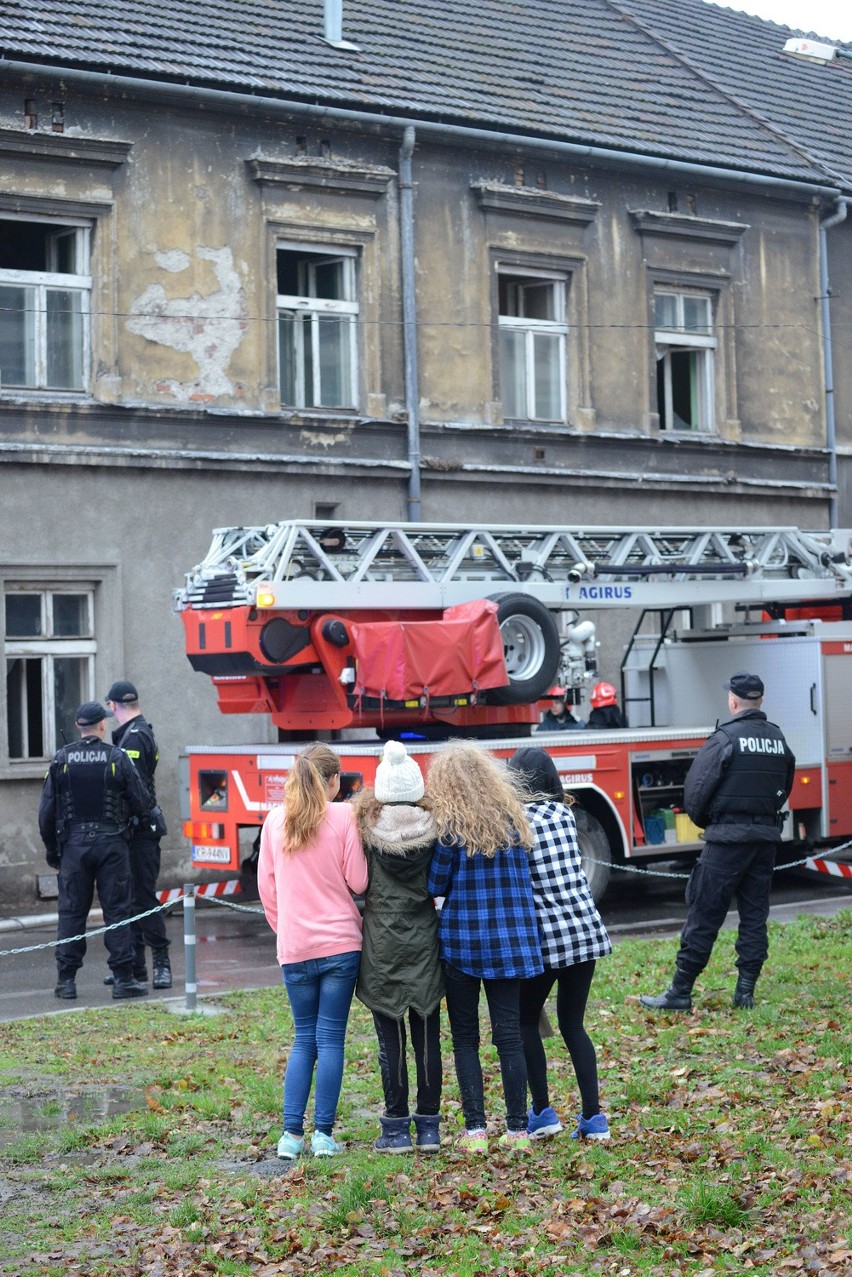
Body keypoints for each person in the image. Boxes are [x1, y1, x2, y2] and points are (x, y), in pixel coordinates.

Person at [640, 671, 795, 1012]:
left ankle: (680, 991)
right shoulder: (778, 740)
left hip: (726, 841)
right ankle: (745, 993)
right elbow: (784, 787)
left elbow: (695, 793)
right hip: (764, 840)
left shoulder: (725, 739)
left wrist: (713, 823)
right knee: (755, 916)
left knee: (705, 913)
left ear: (733, 701)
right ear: (762, 701)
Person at [426, 741, 543, 1153]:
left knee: (465, 1039)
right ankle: (517, 1130)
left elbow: (435, 885)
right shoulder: (515, 820)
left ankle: (475, 1130)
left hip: (462, 943)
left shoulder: (450, 830)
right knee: (509, 1035)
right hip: (510, 942)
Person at [257, 742, 369, 1160]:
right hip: (341, 946)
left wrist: (286, 929)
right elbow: (358, 882)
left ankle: (290, 1136)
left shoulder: (273, 821)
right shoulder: (343, 815)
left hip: (296, 946)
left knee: (303, 1039)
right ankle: (323, 1134)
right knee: (331, 1040)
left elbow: (267, 890)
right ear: (335, 780)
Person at [507, 747, 612, 1142]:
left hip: (549, 940)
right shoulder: (566, 815)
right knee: (573, 1025)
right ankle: (593, 1118)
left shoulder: (517, 824)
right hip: (586, 933)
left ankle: (542, 1113)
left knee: (523, 1021)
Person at [353, 740, 442, 1154]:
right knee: (427, 1033)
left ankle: (395, 1129)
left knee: (389, 1035)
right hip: (424, 938)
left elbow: (357, 880)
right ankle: (429, 1128)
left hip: (382, 941)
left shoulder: (366, 830)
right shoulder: (435, 828)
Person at [38, 701, 152, 1001]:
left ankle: (66, 981)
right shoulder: (116, 757)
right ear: (103, 725)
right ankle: (123, 979)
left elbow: (46, 813)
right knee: (118, 912)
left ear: (78, 726)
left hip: (73, 848)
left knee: (72, 913)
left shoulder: (61, 760)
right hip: (111, 845)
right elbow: (141, 800)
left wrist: (53, 851)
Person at [104, 680, 171, 990]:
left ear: (114, 706)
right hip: (132, 829)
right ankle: (135, 965)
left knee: (143, 897)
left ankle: (161, 963)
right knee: (130, 898)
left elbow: (135, 788)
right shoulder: (133, 734)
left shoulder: (135, 737)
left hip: (140, 830)